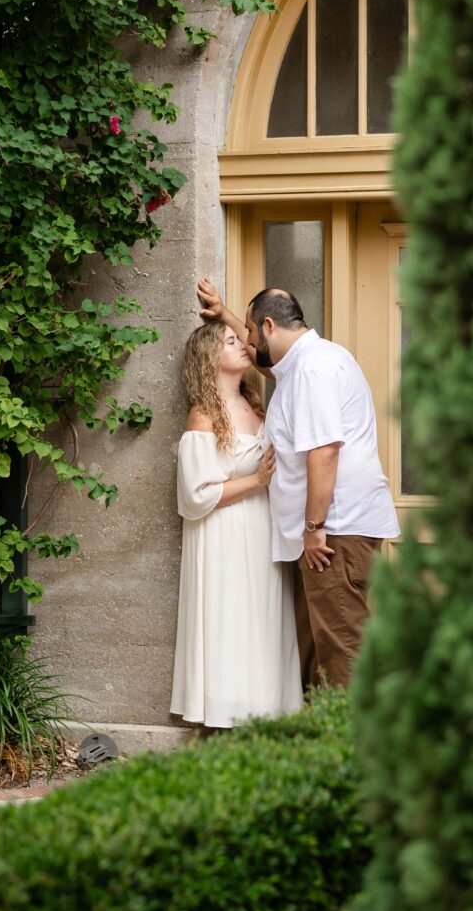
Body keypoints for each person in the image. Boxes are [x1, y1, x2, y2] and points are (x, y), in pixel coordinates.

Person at [197, 277, 400, 689]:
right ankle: (322, 741)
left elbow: (324, 451)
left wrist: (313, 529)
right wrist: (225, 315)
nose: (247, 342)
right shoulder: (301, 366)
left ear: (270, 326)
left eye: (250, 333)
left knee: (344, 645)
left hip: (332, 535)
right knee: (318, 649)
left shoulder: (313, 369)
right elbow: (264, 362)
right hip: (327, 534)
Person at [170, 320, 303, 729]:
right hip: (224, 535)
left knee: (263, 621)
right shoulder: (204, 416)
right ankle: (228, 714)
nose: (244, 344)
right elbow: (195, 496)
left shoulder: (255, 402)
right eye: (231, 341)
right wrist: (257, 480)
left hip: (263, 528)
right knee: (232, 619)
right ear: (211, 358)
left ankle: (268, 709)